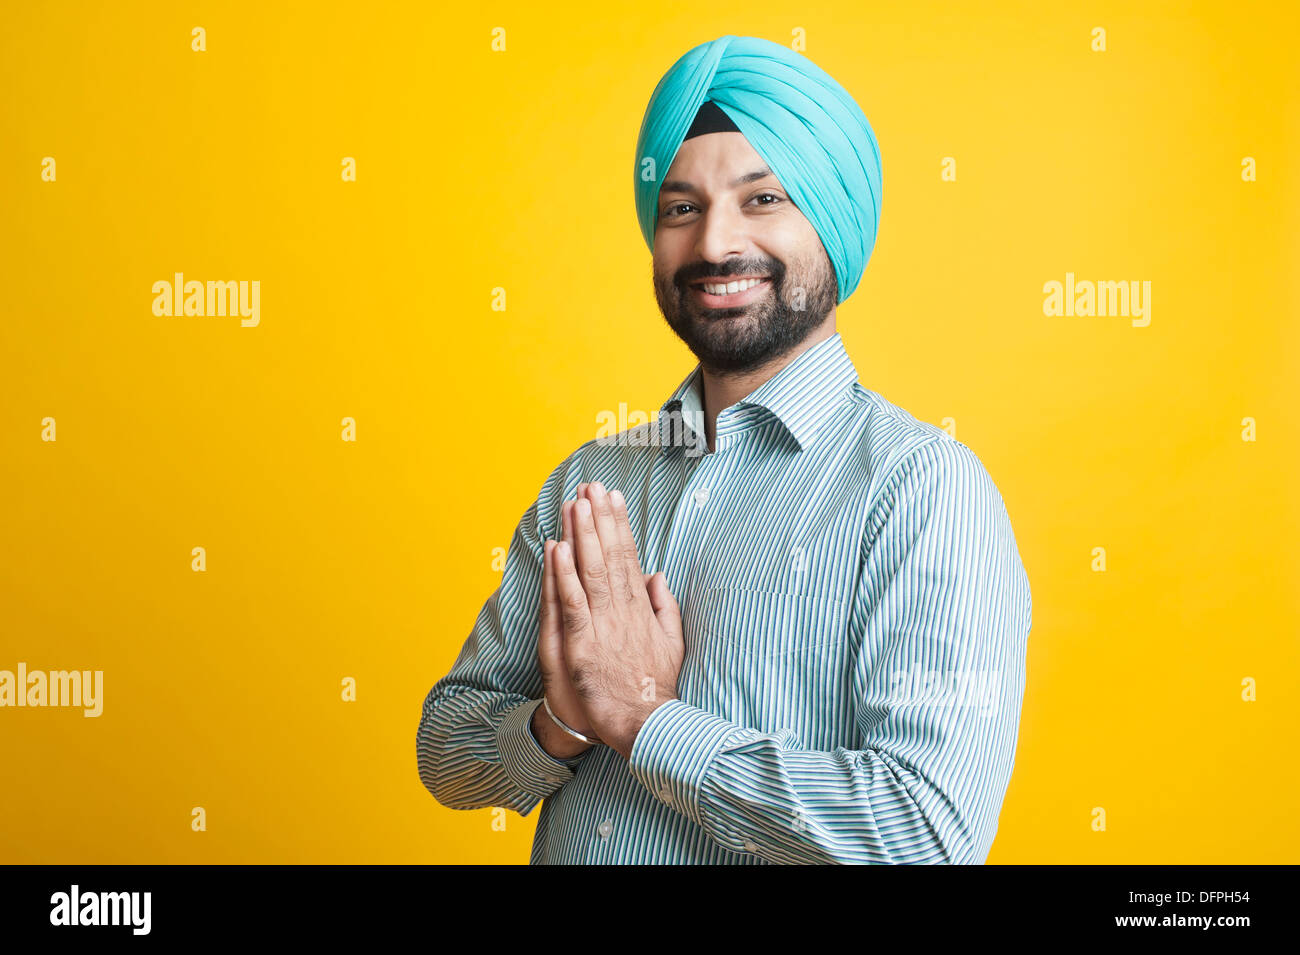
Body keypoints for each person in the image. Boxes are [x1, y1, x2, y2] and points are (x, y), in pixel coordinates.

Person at [416, 34, 1032, 864]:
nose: (714, 245)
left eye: (764, 198)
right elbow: (446, 753)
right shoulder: (591, 480)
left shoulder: (921, 490)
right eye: (681, 207)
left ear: (834, 217)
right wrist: (557, 721)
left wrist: (644, 721)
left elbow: (925, 831)